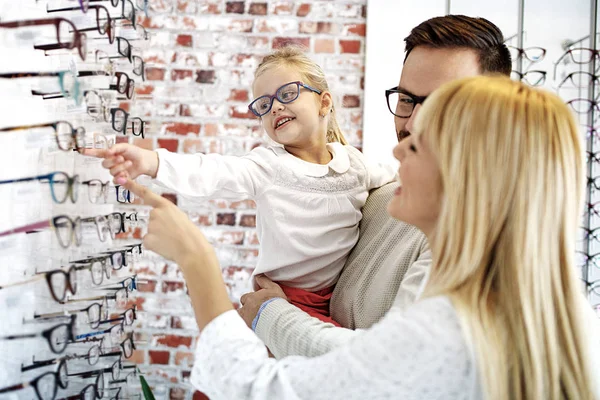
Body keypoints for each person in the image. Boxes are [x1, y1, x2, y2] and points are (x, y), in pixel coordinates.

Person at [122, 75, 600, 399]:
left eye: (419, 143)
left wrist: (196, 258)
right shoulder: (560, 320)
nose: (398, 148)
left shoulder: (445, 331)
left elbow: (260, 387)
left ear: (468, 172)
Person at [238, 14, 513, 359]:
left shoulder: (477, 239)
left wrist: (269, 314)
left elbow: (389, 363)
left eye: (443, 103)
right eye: (406, 99)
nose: (412, 124)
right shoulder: (383, 197)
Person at [84, 46, 396, 326]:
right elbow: (213, 171)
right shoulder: (268, 167)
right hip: (286, 298)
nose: (275, 107)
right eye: (264, 103)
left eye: (287, 94)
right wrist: (152, 161)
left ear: (324, 103)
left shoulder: (355, 164)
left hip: (339, 295)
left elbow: (397, 175)